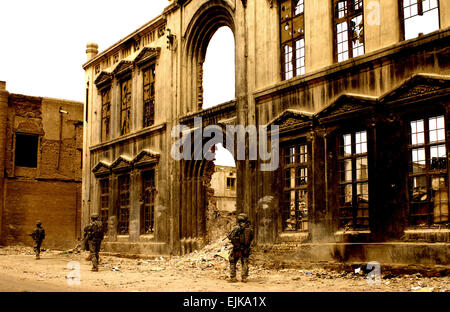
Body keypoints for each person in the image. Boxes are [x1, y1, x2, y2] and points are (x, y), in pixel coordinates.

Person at [226, 213, 254, 283]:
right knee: (245, 262)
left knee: (232, 261)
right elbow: (251, 238)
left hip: (237, 248)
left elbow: (230, 237)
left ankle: (233, 277)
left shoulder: (237, 228)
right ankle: (244, 278)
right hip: (245, 248)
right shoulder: (249, 229)